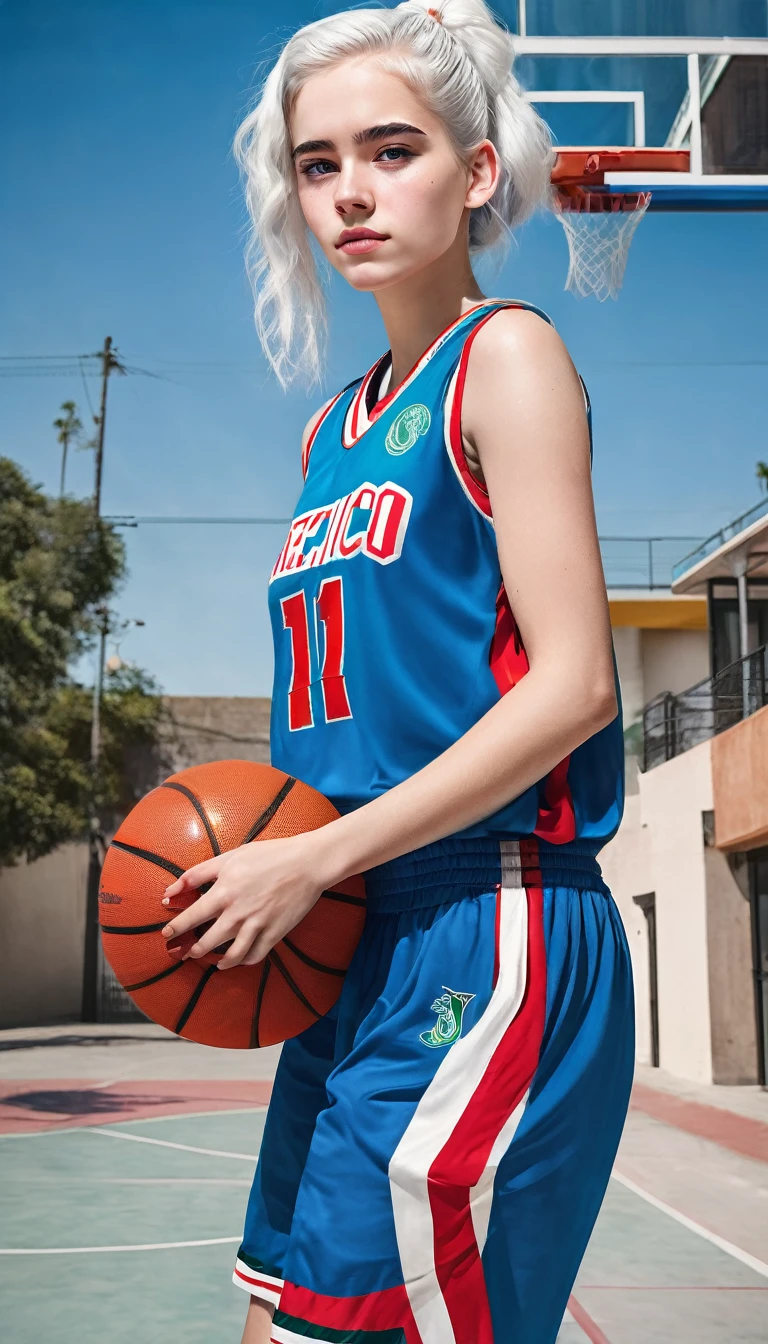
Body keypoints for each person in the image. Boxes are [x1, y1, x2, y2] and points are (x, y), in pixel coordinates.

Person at [161, 3, 635, 1341]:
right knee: (275, 1321)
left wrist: (310, 859)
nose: (351, 192)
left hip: (490, 919)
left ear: (478, 173)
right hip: (351, 932)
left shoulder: (510, 356)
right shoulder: (329, 429)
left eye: (391, 149)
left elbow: (576, 689)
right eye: (319, 164)